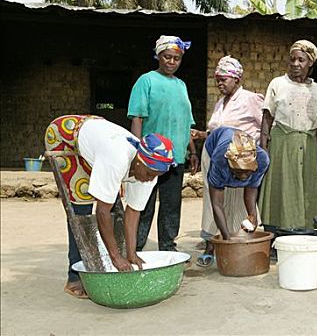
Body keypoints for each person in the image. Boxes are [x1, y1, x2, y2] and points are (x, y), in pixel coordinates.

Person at [45, 115, 175, 298]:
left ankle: (110, 258)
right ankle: (74, 277)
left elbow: (133, 213)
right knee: (81, 208)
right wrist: (116, 257)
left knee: (113, 199)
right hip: (65, 135)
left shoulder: (150, 171)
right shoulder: (117, 158)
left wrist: (131, 253)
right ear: (139, 160)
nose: (150, 178)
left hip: (99, 136)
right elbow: (102, 211)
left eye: (156, 175)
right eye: (148, 173)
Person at [190, 56, 264, 267]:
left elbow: (266, 125)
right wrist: (202, 134)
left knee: (237, 198)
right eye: (218, 79)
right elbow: (218, 130)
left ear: (237, 79)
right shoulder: (220, 103)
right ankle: (211, 243)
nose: (220, 83)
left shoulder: (251, 99)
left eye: (224, 79)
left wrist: (254, 150)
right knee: (213, 200)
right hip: (212, 156)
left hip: (238, 159)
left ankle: (240, 241)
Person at [128, 35, 199, 253]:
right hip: (150, 159)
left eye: (176, 58)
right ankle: (135, 247)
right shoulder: (146, 81)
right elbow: (137, 117)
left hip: (175, 158)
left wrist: (192, 153)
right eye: (167, 57)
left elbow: (186, 123)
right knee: (143, 205)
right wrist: (137, 153)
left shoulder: (181, 85)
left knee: (171, 206)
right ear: (158, 56)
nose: (171, 62)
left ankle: (168, 247)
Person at [259, 39, 317, 229]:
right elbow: (267, 117)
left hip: (308, 145)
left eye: (301, 60)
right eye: (292, 60)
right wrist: (263, 147)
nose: (295, 64)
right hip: (282, 144)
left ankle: (306, 230)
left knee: (306, 188)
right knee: (280, 187)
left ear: (310, 63)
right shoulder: (278, 84)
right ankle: (276, 232)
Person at [205, 127, 270, 241]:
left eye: (247, 172)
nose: (244, 177)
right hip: (211, 149)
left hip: (235, 161)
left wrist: (252, 215)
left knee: (238, 206)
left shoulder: (262, 161)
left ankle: (238, 236)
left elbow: (251, 189)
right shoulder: (219, 160)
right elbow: (217, 204)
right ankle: (211, 241)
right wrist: (227, 239)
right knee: (215, 208)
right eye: (239, 172)